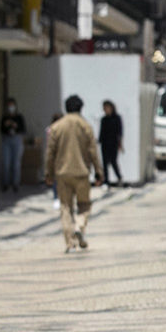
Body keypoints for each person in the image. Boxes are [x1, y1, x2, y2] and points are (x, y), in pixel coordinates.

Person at [46, 96, 100, 251]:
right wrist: (98, 172)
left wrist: (48, 173)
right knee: (84, 205)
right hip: (82, 173)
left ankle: (70, 241)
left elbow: (50, 153)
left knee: (65, 207)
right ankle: (79, 225)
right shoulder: (86, 126)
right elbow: (93, 152)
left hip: (62, 174)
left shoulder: (57, 127)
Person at [0, 98, 27, 192]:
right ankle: (5, 183)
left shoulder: (19, 117)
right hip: (6, 139)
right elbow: (1, 129)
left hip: (17, 139)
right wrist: (6, 125)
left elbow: (23, 129)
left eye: (12, 106)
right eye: (9, 106)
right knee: (6, 163)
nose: (11, 108)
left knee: (16, 163)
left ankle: (15, 184)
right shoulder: (4, 117)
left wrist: (15, 125)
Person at [98, 99, 125, 187]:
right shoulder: (104, 119)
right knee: (105, 163)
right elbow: (101, 132)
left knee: (113, 161)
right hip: (105, 143)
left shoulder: (117, 118)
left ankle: (119, 177)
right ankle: (106, 181)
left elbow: (120, 132)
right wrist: (99, 141)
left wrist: (120, 143)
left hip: (113, 143)